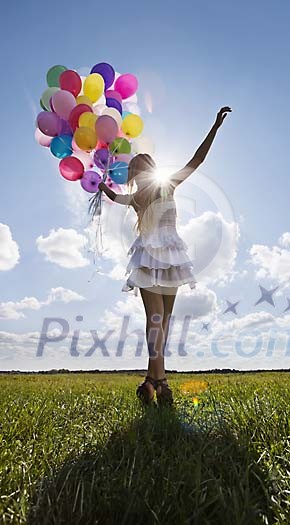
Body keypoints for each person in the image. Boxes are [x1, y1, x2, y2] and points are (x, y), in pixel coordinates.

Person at [98, 106, 232, 407]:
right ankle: (160, 382)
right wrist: (100, 181)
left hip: (171, 258)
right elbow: (110, 194)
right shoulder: (135, 198)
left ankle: (151, 381)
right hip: (147, 259)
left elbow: (196, 161)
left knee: (165, 322)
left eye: (146, 167)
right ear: (135, 175)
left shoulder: (168, 185)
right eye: (139, 169)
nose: (144, 173)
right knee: (156, 319)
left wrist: (214, 128)